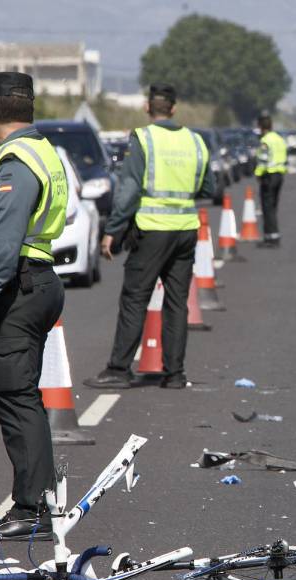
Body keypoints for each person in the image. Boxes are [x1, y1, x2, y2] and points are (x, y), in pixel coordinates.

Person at [0, 72, 67, 539]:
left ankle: (31, 508)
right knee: (21, 396)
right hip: (35, 282)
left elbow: (5, 236)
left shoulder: (18, 161)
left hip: (14, 288)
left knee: (15, 397)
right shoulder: (31, 150)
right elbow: (8, 184)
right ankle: (38, 497)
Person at [84, 84, 214, 390]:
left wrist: (113, 231)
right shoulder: (195, 141)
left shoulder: (144, 138)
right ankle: (175, 374)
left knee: (135, 299)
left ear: (147, 107)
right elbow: (207, 187)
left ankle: (118, 369)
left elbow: (128, 191)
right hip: (185, 231)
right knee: (176, 303)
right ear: (173, 108)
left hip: (153, 231)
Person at [254, 113, 287, 248]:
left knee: (267, 207)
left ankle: (272, 237)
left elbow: (263, 161)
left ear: (261, 126)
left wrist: (258, 173)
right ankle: (271, 235)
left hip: (269, 175)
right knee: (273, 206)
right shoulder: (279, 139)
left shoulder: (265, 141)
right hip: (279, 175)